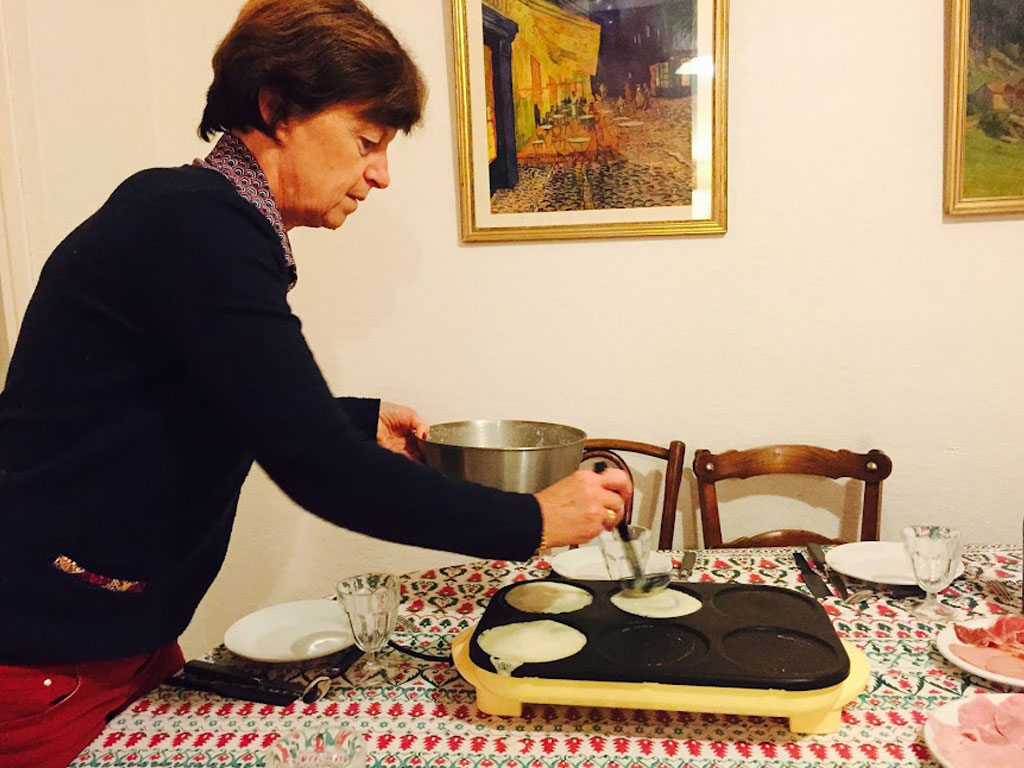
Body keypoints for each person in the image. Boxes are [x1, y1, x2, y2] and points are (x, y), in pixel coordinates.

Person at [0, 2, 632, 766]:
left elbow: (197, 396)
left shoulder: (192, 217)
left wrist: (351, 418)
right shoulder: (197, 226)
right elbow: (319, 470)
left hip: (121, 630)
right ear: (277, 108)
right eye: (367, 141)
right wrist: (529, 521)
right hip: (45, 653)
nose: (381, 174)